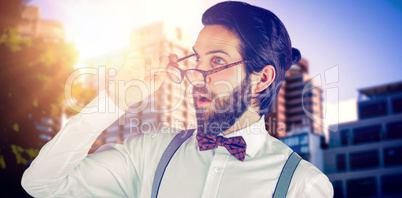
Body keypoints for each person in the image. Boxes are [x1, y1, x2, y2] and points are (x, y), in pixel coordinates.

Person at [22, 1, 333, 197]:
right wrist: (113, 102)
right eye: (197, 59)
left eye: (217, 62)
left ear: (261, 78)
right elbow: (42, 185)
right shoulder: (150, 153)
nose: (197, 76)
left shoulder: (301, 186)